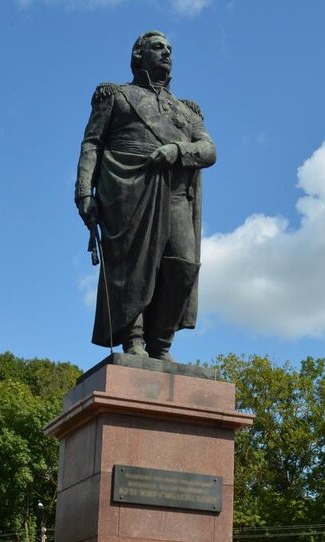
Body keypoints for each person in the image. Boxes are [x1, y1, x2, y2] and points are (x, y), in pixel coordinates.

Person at [75, 31, 216, 361]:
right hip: (128, 186)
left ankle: (161, 342)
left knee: (184, 266)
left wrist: (178, 150)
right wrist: (84, 190)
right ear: (139, 55)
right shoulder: (117, 96)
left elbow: (209, 150)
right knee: (135, 264)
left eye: (169, 49)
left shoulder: (186, 111)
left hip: (175, 191)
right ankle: (134, 339)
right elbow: (92, 143)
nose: (166, 53)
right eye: (157, 48)